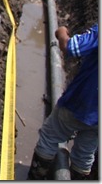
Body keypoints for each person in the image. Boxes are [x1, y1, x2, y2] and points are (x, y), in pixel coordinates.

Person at [27, 24, 98, 180]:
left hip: (83, 101)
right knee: (86, 152)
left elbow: (70, 47)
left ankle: (37, 177)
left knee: (50, 135)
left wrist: (61, 32)